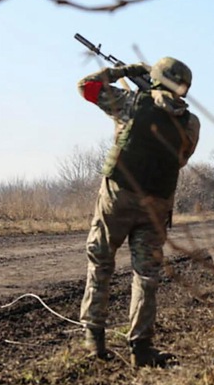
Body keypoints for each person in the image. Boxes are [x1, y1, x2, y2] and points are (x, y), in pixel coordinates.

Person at [76, 57, 200, 367]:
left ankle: (94, 339)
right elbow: (182, 159)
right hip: (157, 204)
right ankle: (141, 348)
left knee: (101, 263)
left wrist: (125, 71)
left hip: (118, 196)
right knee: (146, 276)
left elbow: (85, 87)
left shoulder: (130, 101)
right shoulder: (190, 122)